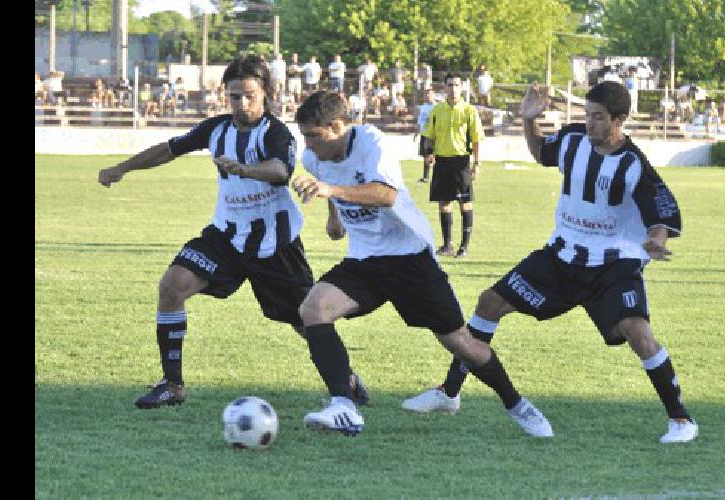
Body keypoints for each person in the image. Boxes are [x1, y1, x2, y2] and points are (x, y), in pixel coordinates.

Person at [401, 81, 698, 444]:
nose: (589, 124)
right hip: (560, 256)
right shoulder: (573, 140)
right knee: (490, 302)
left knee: (637, 331)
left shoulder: (633, 164)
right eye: (587, 115)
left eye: (598, 118)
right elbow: (542, 151)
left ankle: (681, 420)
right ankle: (449, 393)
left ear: (620, 119)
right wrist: (529, 121)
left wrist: (656, 238)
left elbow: (661, 210)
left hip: (612, 265)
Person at [96, 55, 370, 411]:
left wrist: (243, 169)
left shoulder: (276, 133)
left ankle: (345, 379)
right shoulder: (216, 129)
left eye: (249, 96)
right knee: (172, 285)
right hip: (225, 236)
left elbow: (279, 170)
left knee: (306, 318)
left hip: (275, 244)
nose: (241, 104)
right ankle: (172, 384)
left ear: (266, 95)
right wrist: (122, 168)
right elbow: (170, 149)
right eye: (234, 96)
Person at [289, 91, 553, 438]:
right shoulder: (313, 158)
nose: (307, 144)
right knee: (313, 310)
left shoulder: (370, 141)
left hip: (409, 259)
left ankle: (517, 404)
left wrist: (331, 192)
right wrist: (333, 215)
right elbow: (329, 181)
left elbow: (387, 194)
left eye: (313, 135)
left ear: (337, 126)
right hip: (364, 260)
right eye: (304, 135)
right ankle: (344, 406)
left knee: (461, 343)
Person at [421, 73, 483, 258]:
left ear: (462, 87)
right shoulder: (437, 110)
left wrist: (477, 163)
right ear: (445, 87)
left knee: (465, 203)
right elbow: (429, 134)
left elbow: (477, 138)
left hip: (461, 161)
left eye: (456, 84)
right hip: (442, 161)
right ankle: (447, 245)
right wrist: (429, 153)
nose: (453, 88)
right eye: (450, 85)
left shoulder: (469, 110)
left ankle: (464, 247)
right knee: (444, 203)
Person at [415, 88, 438, 183]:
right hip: (424, 134)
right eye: (426, 94)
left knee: (433, 156)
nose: (428, 96)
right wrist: (417, 132)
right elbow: (420, 120)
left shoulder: (436, 107)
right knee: (425, 156)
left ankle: (437, 176)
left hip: (432, 135)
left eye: (430, 94)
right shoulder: (423, 107)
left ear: (434, 95)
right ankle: (425, 177)